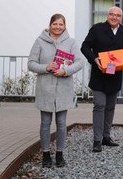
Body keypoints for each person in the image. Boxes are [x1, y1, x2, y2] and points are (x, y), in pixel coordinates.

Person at [28, 14, 84, 168]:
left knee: (61, 123)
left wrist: (65, 71)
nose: (58, 27)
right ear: (50, 24)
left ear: (65, 26)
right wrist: (46, 67)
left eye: (61, 24)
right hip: (45, 89)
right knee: (45, 123)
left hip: (63, 89)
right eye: (55, 24)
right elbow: (31, 64)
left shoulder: (71, 42)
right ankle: (46, 154)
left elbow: (80, 62)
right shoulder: (39, 41)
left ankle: (60, 154)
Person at [81, 6, 123, 152]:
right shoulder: (97, 29)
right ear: (107, 15)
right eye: (112, 14)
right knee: (99, 106)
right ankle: (97, 140)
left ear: (121, 17)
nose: (114, 17)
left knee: (110, 107)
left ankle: (106, 137)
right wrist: (94, 59)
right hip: (99, 75)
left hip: (115, 76)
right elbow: (85, 47)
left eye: (118, 15)